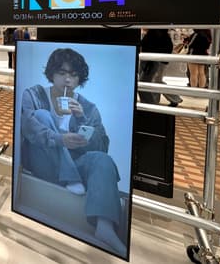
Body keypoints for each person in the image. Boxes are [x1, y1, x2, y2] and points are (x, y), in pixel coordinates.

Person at [20, 48, 126, 255]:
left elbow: (102, 147)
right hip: (42, 162)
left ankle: (105, 228)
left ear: (80, 79)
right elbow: (28, 127)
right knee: (42, 116)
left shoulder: (88, 107)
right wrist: (61, 139)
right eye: (62, 73)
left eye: (74, 75)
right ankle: (70, 176)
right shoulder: (34, 94)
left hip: (75, 168)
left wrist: (81, 119)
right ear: (52, 74)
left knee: (102, 159)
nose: (67, 80)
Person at [138, 29, 183, 107]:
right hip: (153, 61)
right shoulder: (156, 34)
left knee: (155, 82)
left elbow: (165, 48)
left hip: (156, 62)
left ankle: (171, 99)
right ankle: (159, 101)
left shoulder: (157, 34)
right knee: (155, 82)